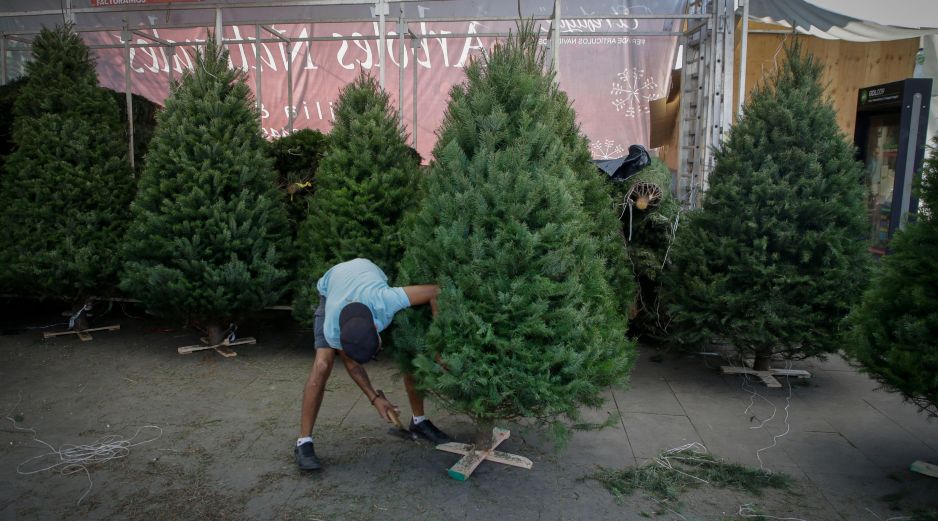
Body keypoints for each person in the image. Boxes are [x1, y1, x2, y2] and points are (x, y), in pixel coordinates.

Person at [294, 258, 452, 471]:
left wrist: (439, 349)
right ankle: (303, 443)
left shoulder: (386, 300)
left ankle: (419, 421)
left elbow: (436, 291)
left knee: (409, 346)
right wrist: (375, 398)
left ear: (377, 330)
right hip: (331, 288)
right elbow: (352, 365)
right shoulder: (333, 328)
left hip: (365, 271)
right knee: (322, 365)